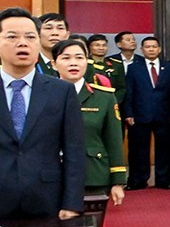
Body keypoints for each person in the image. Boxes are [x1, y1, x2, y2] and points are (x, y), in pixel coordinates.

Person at [0, 7, 85, 224]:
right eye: (12, 37)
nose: (23, 43)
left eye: (30, 37)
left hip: (47, 199)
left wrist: (72, 202)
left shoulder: (61, 91)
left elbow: (74, 151)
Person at [52, 38, 126, 206]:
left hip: (93, 174)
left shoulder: (104, 97)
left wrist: (117, 181)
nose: (73, 63)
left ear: (87, 61)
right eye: (65, 58)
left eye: (79, 57)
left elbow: (113, 140)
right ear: (54, 64)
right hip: (51, 176)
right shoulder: (41, 95)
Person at [124, 35, 170, 188]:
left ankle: (163, 180)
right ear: (142, 50)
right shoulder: (133, 68)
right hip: (140, 115)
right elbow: (129, 92)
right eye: (147, 47)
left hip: (164, 114)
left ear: (159, 49)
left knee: (164, 149)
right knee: (138, 149)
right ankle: (138, 180)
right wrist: (129, 113)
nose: (151, 49)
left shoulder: (169, 68)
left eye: (154, 46)